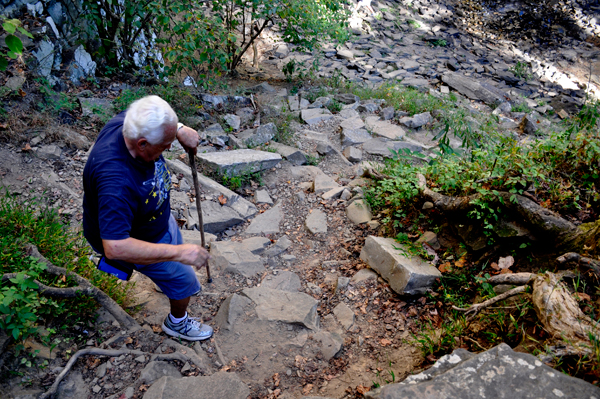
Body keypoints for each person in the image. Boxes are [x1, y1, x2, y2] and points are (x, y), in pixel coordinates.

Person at [83, 95, 213, 341]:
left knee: (174, 264)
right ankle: (177, 323)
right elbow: (115, 247)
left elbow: (146, 110)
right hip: (138, 239)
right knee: (184, 279)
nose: (169, 148)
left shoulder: (126, 125)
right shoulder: (117, 182)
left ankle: (163, 279)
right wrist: (178, 254)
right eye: (165, 146)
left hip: (154, 219)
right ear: (142, 143)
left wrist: (180, 130)